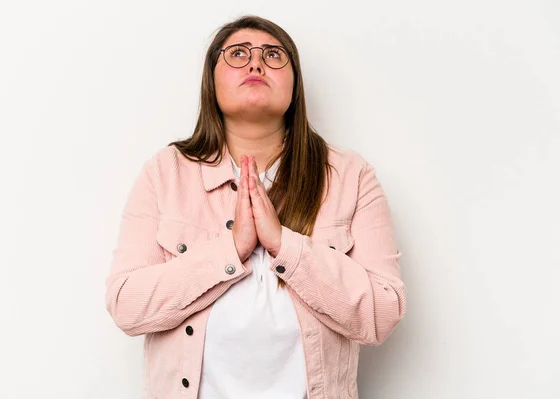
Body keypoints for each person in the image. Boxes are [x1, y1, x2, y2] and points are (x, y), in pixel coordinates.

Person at [105, 15, 407, 399]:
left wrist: (286, 245)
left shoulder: (351, 176)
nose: (255, 63)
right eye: (237, 53)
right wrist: (230, 251)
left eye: (273, 54)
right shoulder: (166, 173)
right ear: (210, 81)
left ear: (295, 83)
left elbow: (383, 313)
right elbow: (126, 306)